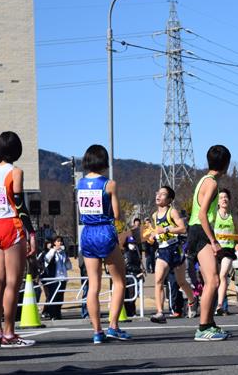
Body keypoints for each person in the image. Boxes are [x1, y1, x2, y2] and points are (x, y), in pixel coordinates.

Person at [0, 131, 37, 347]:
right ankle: (9, 333)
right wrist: (31, 233)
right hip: (11, 225)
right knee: (13, 283)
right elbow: (20, 205)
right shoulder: (16, 172)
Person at [77, 144, 131, 344]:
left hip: (87, 233)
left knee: (93, 285)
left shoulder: (80, 183)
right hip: (104, 231)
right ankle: (113, 326)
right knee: (119, 281)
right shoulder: (109, 184)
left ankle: (97, 332)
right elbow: (116, 214)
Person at [187, 145, 232, 341]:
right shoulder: (212, 183)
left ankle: (210, 324)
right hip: (200, 231)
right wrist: (213, 241)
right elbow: (202, 214)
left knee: (210, 281)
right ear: (226, 164)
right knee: (213, 280)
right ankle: (203, 327)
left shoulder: (204, 180)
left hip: (198, 230)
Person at [148, 186, 198, 324]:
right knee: (158, 281)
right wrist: (153, 236)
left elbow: (182, 228)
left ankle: (193, 301)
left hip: (175, 249)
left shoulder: (172, 212)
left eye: (163, 194)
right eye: (158, 192)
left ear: (169, 199)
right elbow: (156, 232)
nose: (158, 195)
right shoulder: (154, 215)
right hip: (163, 250)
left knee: (181, 281)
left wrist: (165, 229)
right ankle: (159, 312)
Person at [214, 189, 238, 316]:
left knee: (223, 275)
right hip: (215, 249)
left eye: (226, 197)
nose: (224, 199)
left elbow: (237, 234)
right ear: (217, 202)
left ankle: (220, 305)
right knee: (214, 279)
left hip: (228, 249)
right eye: (221, 197)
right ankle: (213, 303)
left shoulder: (233, 217)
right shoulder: (213, 215)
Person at [42, 236, 72, 320]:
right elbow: (46, 260)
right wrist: (54, 250)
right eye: (58, 241)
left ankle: (58, 313)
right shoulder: (51, 252)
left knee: (60, 297)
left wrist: (67, 259)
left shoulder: (63, 253)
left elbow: (69, 267)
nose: (60, 243)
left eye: (61, 241)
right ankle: (52, 314)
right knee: (53, 297)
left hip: (63, 278)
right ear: (54, 243)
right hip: (54, 278)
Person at [123, 236, 144, 317]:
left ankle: (132, 312)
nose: (133, 245)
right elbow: (127, 266)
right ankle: (130, 312)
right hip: (129, 277)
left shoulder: (136, 253)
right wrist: (138, 269)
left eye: (133, 243)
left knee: (134, 295)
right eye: (131, 243)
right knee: (129, 295)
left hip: (135, 276)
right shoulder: (127, 253)